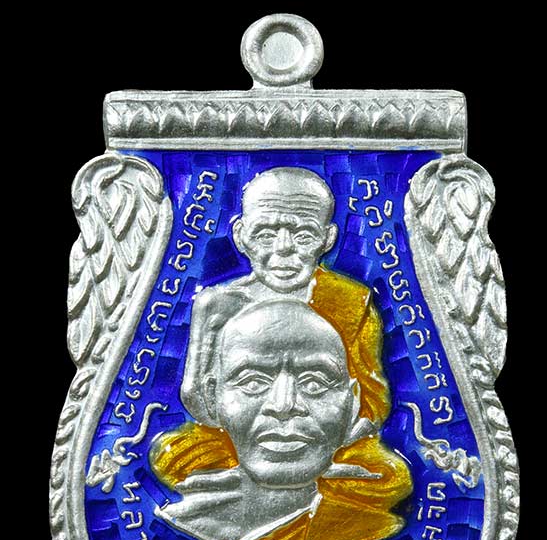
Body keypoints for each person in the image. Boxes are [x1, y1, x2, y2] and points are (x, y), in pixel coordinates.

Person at [152, 167, 399, 498]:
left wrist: (329, 445)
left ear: (328, 239)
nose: (284, 248)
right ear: (241, 235)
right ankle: (259, 484)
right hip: (241, 434)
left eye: (304, 235)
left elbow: (372, 401)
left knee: (390, 475)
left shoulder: (350, 301)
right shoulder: (218, 303)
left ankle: (265, 489)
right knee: (174, 456)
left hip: (326, 436)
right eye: (266, 234)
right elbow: (196, 396)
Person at [155, 300, 412, 540]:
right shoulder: (184, 521)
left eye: (315, 383)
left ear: (353, 404)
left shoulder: (371, 528)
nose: (284, 405)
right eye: (253, 382)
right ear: (213, 398)